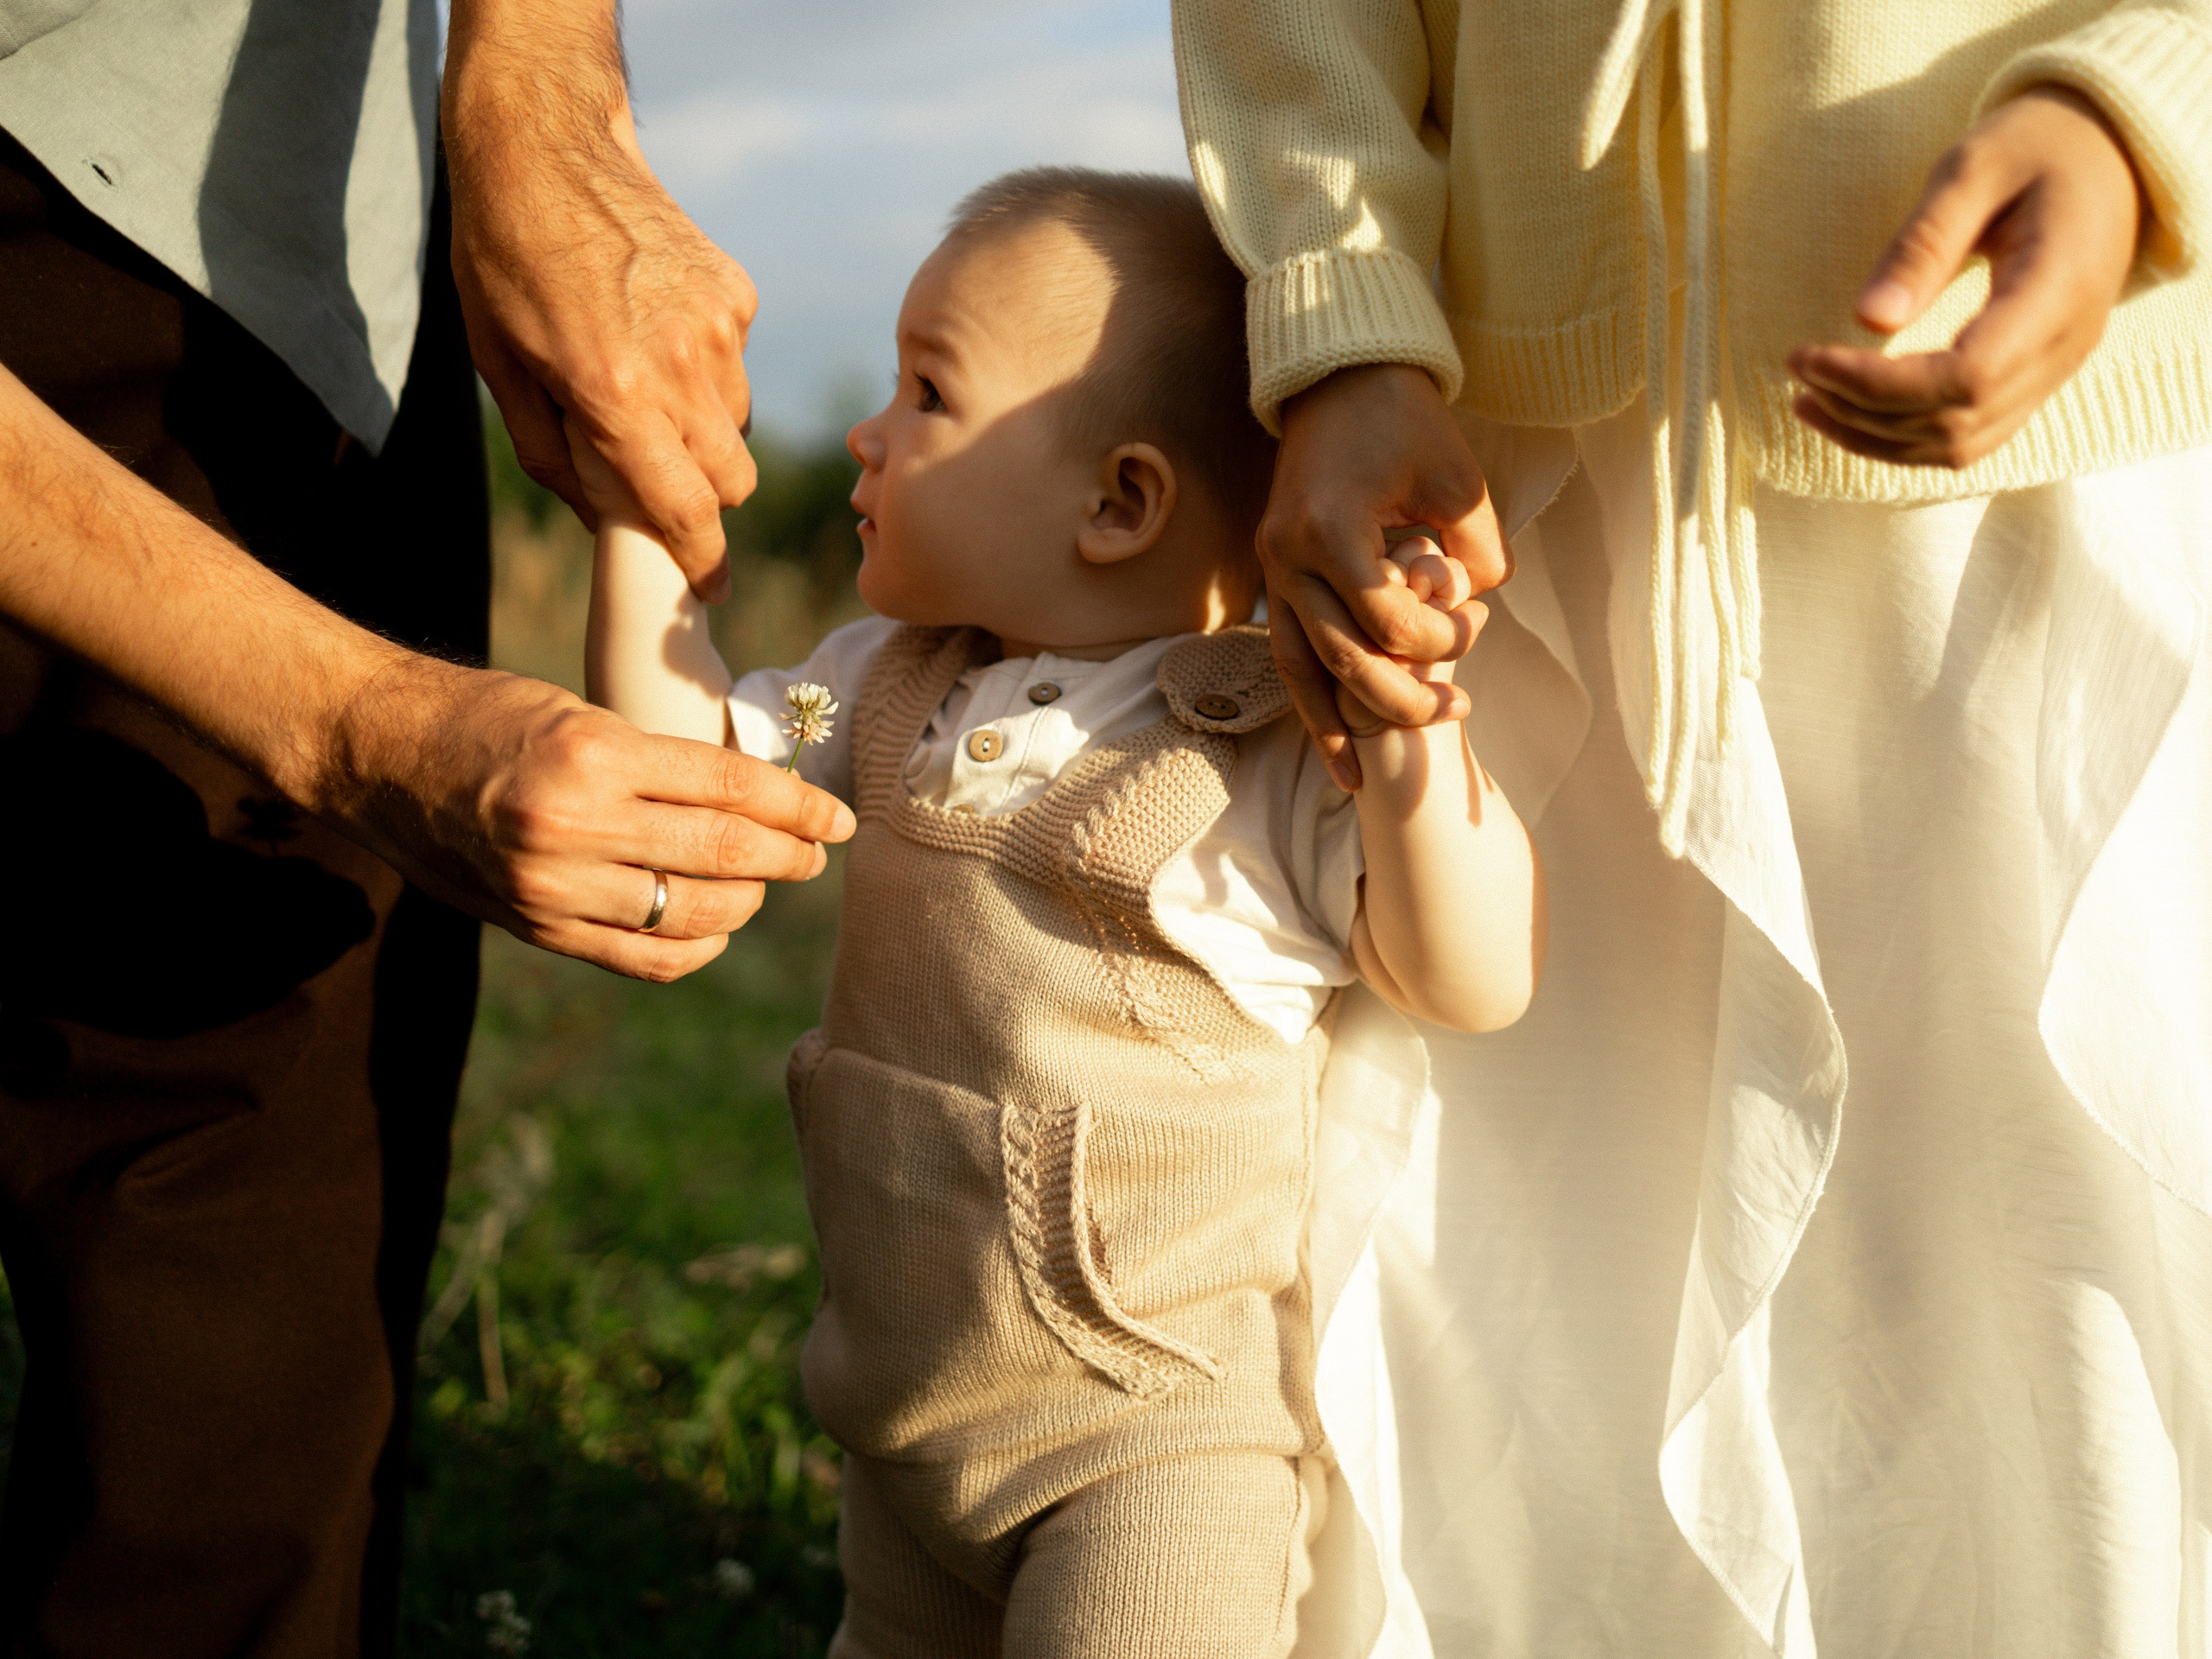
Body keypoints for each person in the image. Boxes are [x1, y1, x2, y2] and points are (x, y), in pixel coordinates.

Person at [1172, 1, 2212, 1655]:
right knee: (1544, 1310)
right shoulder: (894, 695)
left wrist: (2146, 119)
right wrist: (1342, 312)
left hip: (2046, 423)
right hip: (1510, 476)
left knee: (2052, 1291)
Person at [580, 168, 1546, 1656]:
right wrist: (641, 528)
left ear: (1120, 500)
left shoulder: (1264, 743)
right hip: (903, 1431)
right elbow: (687, 762)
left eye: (927, 392)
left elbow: (1468, 977)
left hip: (1152, 1455)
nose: (867, 429)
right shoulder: (879, 675)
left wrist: (1413, 740)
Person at [0, 0, 850, 1650]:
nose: (872, 430)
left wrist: (539, 86)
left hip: (304, 276)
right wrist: (352, 719)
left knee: (241, 1325)